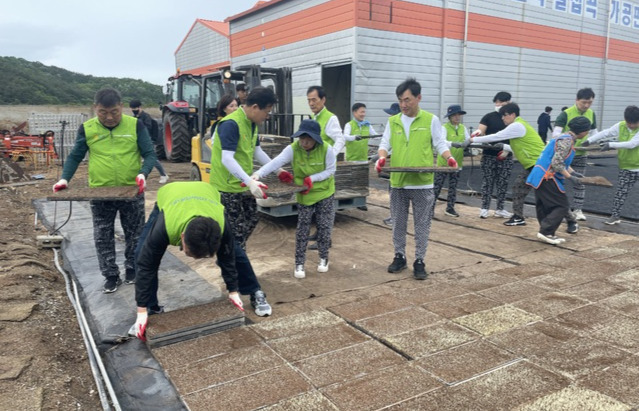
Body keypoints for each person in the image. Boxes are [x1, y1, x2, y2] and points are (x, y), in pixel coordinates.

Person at [130, 182, 272, 341]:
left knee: (235, 252)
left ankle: (254, 291)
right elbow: (146, 266)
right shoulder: (164, 226)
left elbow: (227, 256)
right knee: (141, 254)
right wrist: (141, 309)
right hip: (170, 196)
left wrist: (233, 291)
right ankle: (152, 309)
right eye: (188, 252)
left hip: (207, 195)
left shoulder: (221, 224)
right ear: (182, 236)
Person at [53, 88, 157, 293]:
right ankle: (110, 275)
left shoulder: (136, 125)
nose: (109, 118)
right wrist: (64, 178)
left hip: (131, 190)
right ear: (95, 108)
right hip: (100, 192)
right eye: (103, 112)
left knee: (135, 234)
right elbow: (75, 156)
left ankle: (132, 269)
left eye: (114, 112)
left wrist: (143, 173)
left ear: (121, 107)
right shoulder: (88, 128)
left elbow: (149, 154)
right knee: (103, 235)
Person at [375, 78, 457, 280]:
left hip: (422, 183)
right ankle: (399, 256)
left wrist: (450, 158)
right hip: (398, 182)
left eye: (407, 100)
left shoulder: (431, 120)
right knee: (398, 223)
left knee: (422, 225)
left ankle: (419, 260)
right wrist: (382, 157)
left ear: (418, 98)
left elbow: (440, 144)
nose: (403, 104)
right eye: (400, 100)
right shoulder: (393, 121)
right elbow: (385, 143)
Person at [253, 120, 336, 278]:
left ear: (316, 139)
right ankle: (299, 263)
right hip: (304, 193)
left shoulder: (327, 149)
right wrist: (257, 175)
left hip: (325, 192)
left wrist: (313, 178)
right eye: (301, 138)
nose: (304, 142)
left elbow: (331, 170)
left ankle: (324, 258)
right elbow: (275, 163)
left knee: (324, 227)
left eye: (308, 139)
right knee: (302, 229)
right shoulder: (293, 149)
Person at [210, 86, 288, 250]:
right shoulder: (231, 124)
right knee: (236, 233)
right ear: (254, 107)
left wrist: (278, 170)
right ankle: (235, 265)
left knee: (252, 218)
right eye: (266, 112)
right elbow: (227, 158)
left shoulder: (252, 124)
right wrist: (250, 182)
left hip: (243, 184)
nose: (267, 116)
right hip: (227, 188)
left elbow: (257, 151)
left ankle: (229, 252)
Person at [465, 103, 548, 227]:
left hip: (539, 165)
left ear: (513, 115)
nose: (503, 118)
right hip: (536, 164)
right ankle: (518, 217)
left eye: (504, 115)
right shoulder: (520, 126)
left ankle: (570, 220)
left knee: (547, 194)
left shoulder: (517, 126)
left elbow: (497, 136)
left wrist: (472, 140)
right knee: (520, 188)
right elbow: (520, 147)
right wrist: (503, 146)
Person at [526, 117, 592, 245]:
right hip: (547, 176)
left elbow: (560, 159)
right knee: (561, 205)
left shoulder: (562, 137)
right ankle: (546, 232)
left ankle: (545, 231)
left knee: (544, 205)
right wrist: (570, 177)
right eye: (587, 130)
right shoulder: (567, 141)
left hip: (538, 174)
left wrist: (573, 172)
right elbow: (556, 163)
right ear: (583, 131)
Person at [581, 105, 639, 225]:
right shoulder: (621, 125)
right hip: (626, 166)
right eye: (629, 123)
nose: (632, 126)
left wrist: (611, 145)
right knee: (620, 192)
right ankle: (615, 216)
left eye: (635, 123)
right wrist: (590, 141)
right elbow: (606, 133)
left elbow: (632, 144)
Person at [306, 85, 345, 249]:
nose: (311, 103)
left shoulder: (330, 118)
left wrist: (332, 157)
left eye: (314, 100)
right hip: (316, 170)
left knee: (325, 206)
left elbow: (340, 139)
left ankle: (325, 239)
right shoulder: (315, 118)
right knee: (317, 203)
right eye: (309, 100)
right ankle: (319, 232)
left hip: (324, 170)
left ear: (323, 100)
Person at [552, 88, 597, 222]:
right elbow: (555, 135)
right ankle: (559, 210)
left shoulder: (591, 114)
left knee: (580, 180)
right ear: (576, 100)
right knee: (559, 181)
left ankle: (577, 209)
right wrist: (569, 142)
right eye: (584, 102)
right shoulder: (565, 114)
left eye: (590, 102)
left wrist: (592, 143)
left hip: (581, 153)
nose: (586, 105)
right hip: (565, 154)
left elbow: (595, 133)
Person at [472, 92, 515, 220]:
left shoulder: (512, 120)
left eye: (502, 102)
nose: (499, 104)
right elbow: (481, 130)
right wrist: (477, 133)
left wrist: (507, 151)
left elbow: (515, 137)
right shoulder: (488, 117)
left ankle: (500, 208)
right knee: (488, 181)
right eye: (497, 102)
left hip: (506, 155)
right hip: (489, 155)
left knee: (503, 183)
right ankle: (484, 208)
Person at [434, 104, 470, 217]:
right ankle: (430, 208)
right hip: (444, 163)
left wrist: (469, 145)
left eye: (458, 115)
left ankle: (450, 208)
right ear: (449, 117)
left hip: (457, 162)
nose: (457, 117)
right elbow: (442, 141)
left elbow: (467, 140)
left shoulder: (463, 128)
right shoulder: (444, 128)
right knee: (437, 186)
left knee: (453, 187)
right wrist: (453, 144)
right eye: (454, 115)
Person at [344, 102, 377, 211]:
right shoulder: (349, 125)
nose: (363, 114)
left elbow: (374, 135)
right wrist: (354, 137)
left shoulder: (367, 124)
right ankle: (345, 201)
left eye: (364, 112)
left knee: (361, 180)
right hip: (352, 158)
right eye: (361, 111)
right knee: (349, 180)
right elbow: (346, 136)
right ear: (355, 112)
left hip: (363, 158)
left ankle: (360, 202)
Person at [130, 99, 169, 184]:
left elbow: (147, 129)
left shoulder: (146, 117)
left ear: (140, 107)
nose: (134, 110)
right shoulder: (134, 118)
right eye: (132, 108)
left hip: (148, 139)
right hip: (138, 140)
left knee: (152, 159)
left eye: (135, 108)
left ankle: (163, 175)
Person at [382, 103, 401, 226]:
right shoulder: (393, 125)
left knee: (397, 192)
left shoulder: (399, 126)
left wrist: (381, 155)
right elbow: (386, 143)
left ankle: (396, 218)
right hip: (394, 164)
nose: (390, 116)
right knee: (393, 191)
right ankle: (394, 216)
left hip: (400, 165)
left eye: (392, 113)